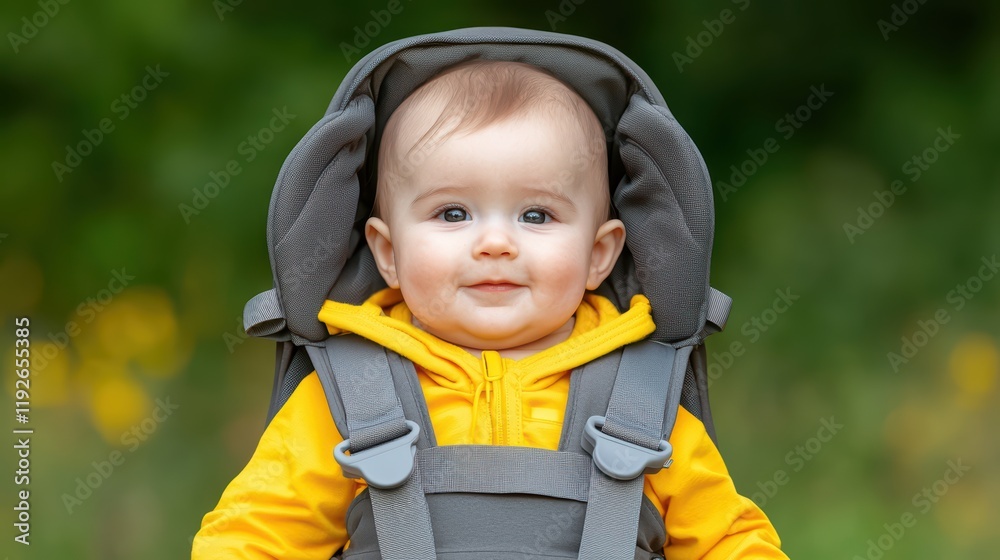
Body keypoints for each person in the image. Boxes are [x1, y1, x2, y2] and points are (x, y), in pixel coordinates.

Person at [193, 56, 787, 559]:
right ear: (389, 252)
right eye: (453, 213)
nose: (495, 242)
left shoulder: (641, 405)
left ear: (599, 255)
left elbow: (730, 540)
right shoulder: (346, 401)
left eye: (537, 215)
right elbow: (252, 536)